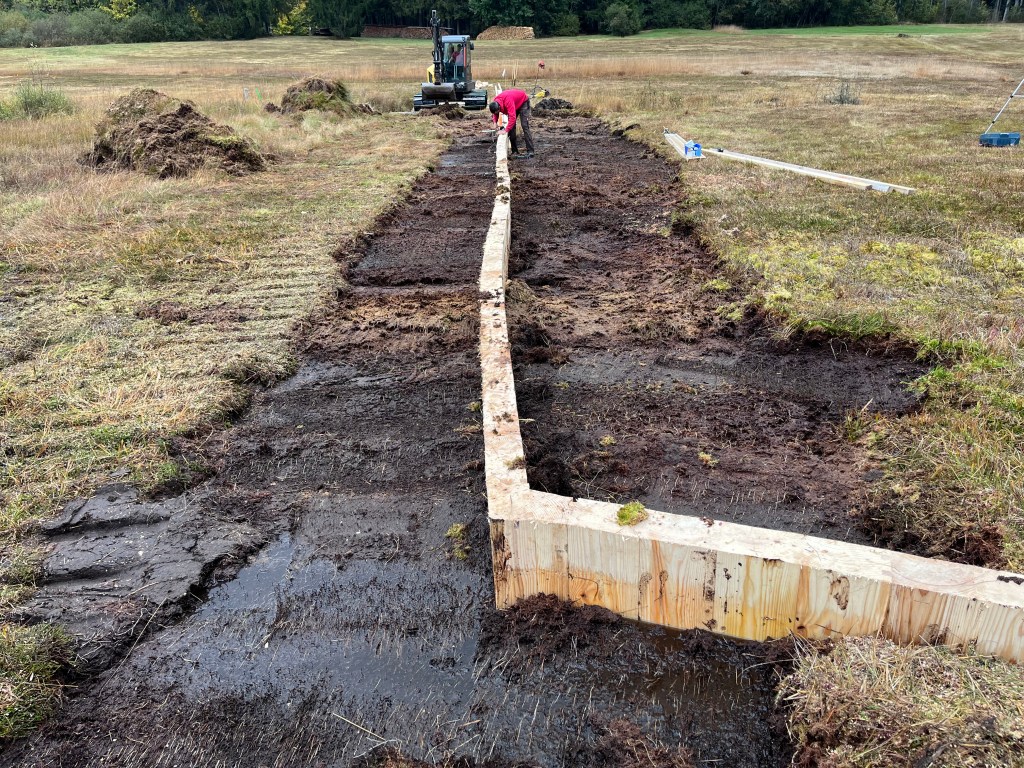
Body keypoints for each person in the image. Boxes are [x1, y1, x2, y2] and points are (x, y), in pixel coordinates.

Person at [489, 88, 535, 158]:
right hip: (514, 103)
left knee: (524, 126)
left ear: (499, 107)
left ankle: (530, 151)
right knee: (512, 128)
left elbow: (512, 118)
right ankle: (514, 151)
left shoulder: (508, 101)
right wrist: (495, 122)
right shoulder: (496, 102)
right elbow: (495, 114)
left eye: (498, 111)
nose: (497, 113)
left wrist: (505, 130)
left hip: (523, 101)